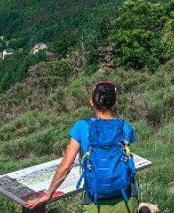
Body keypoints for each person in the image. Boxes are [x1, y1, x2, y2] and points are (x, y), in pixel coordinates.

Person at [25, 81, 141, 212]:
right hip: (127, 199)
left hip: (95, 202)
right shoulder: (125, 127)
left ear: (91, 102)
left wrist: (48, 194)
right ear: (115, 103)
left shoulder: (81, 127)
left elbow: (66, 165)